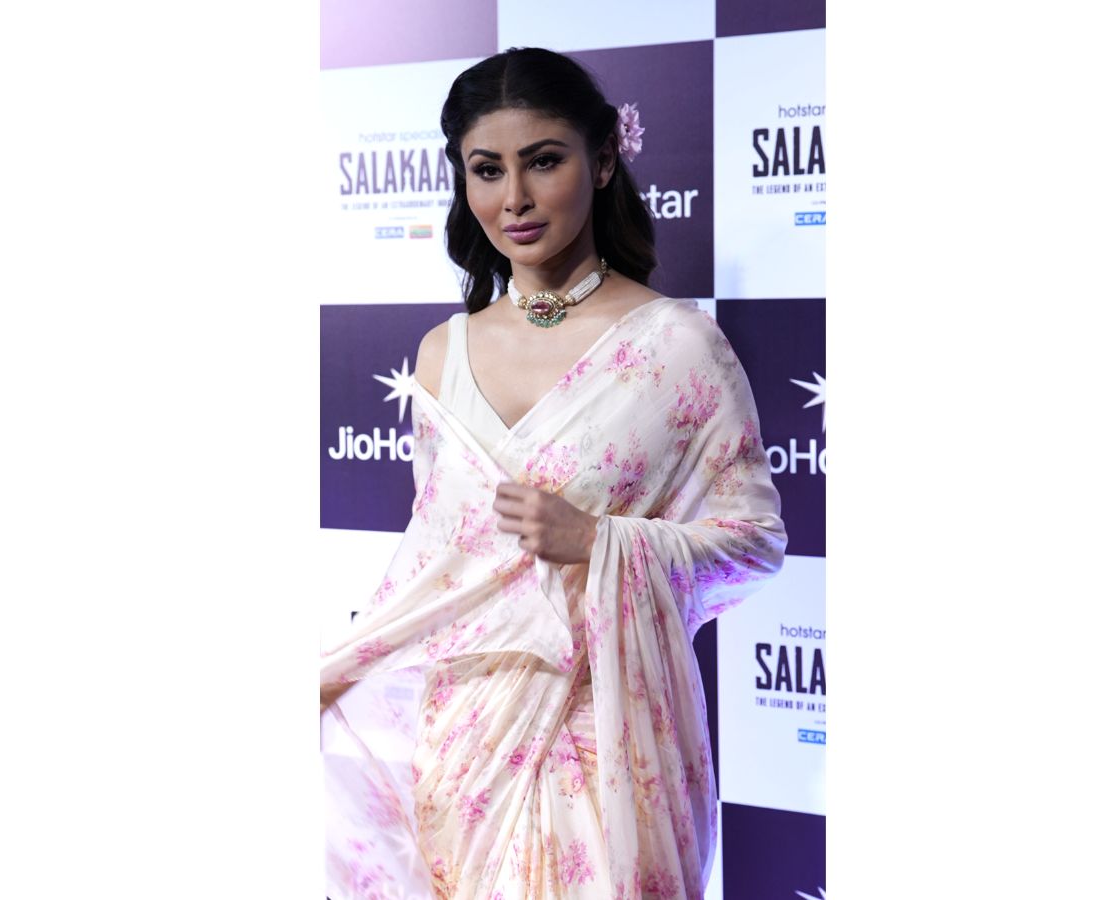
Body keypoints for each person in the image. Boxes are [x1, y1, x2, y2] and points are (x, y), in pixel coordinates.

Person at [320, 47, 787, 900]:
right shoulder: (441, 354)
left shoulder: (680, 347)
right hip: (463, 745)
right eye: (486, 170)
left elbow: (754, 544)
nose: (515, 199)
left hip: (607, 746)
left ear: (603, 159)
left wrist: (599, 541)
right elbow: (440, 574)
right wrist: (343, 667)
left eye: (543, 161)